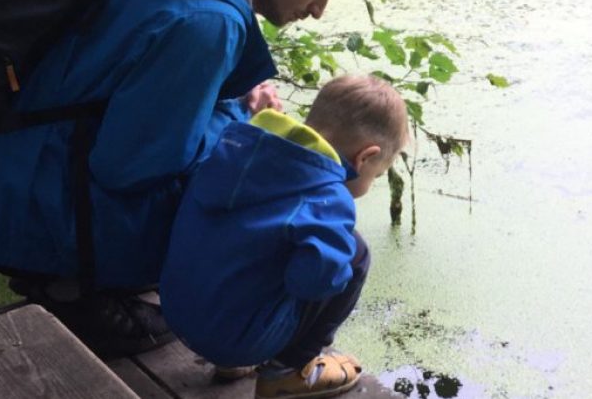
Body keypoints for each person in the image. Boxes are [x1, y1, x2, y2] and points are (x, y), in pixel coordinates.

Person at [0, 0, 369, 357]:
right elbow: (130, 166)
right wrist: (249, 138)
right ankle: (71, 288)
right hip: (32, 214)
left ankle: (76, 278)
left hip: (5, 178)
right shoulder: (210, 20)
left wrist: (232, 101)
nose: (318, 10)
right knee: (257, 199)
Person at [159, 75, 409, 399]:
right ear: (364, 158)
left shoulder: (241, 143)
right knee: (355, 255)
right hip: (234, 338)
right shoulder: (328, 200)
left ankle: (229, 359)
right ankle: (286, 370)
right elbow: (313, 283)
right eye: (375, 176)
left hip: (175, 310)